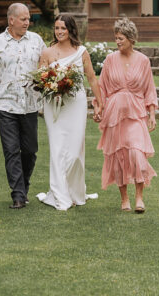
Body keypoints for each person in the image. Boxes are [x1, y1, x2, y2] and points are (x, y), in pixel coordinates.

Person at [0, 3, 46, 209]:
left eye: (29, 19)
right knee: (11, 150)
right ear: (11, 20)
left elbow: (47, 66)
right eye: (24, 19)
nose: (28, 22)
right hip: (5, 105)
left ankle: (23, 186)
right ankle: (18, 195)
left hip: (30, 105)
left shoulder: (36, 41)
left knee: (30, 150)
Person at [35, 14, 100, 210]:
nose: (60, 32)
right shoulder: (47, 52)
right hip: (54, 106)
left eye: (63, 28)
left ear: (71, 30)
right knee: (57, 150)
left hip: (76, 105)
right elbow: (40, 79)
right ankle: (59, 195)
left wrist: (100, 103)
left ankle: (74, 191)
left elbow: (92, 79)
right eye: (57, 28)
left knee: (74, 153)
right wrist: (51, 85)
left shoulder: (81, 52)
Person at [93, 17, 157, 213]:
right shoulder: (110, 60)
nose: (117, 41)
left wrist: (152, 114)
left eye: (121, 38)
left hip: (136, 113)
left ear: (131, 38)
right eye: (116, 38)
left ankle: (139, 196)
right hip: (114, 115)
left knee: (137, 154)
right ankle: (124, 199)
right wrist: (98, 107)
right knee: (119, 157)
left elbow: (149, 89)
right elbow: (101, 87)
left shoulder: (143, 61)